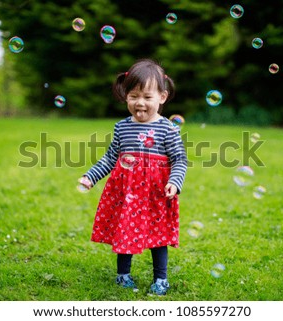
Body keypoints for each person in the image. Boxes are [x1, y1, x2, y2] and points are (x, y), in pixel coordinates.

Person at [78, 58, 187, 295]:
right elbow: (109, 158)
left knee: (158, 237)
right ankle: (123, 275)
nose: (140, 103)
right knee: (125, 230)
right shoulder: (122, 127)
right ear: (125, 96)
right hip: (127, 193)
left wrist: (174, 182)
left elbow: (179, 159)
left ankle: (161, 279)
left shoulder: (168, 129)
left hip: (156, 193)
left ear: (162, 97)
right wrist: (90, 177)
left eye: (147, 97)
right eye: (134, 96)